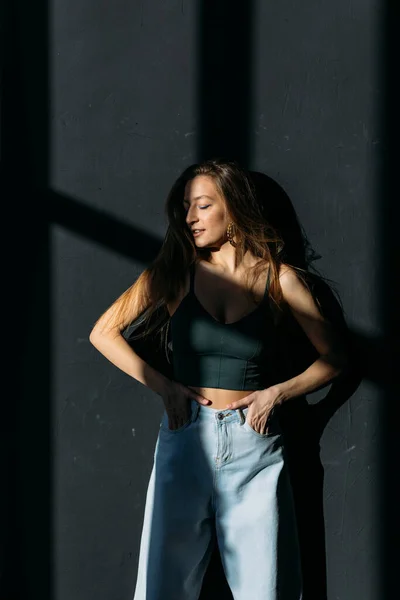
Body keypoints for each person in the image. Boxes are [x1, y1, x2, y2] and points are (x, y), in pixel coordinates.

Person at [89, 158, 349, 600]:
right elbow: (103, 333)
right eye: (186, 207)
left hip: (254, 444)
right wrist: (164, 385)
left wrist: (277, 394)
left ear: (233, 209)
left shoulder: (278, 278)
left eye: (203, 205)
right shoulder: (175, 274)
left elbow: (337, 356)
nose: (190, 217)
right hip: (186, 436)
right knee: (161, 589)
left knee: (264, 590)